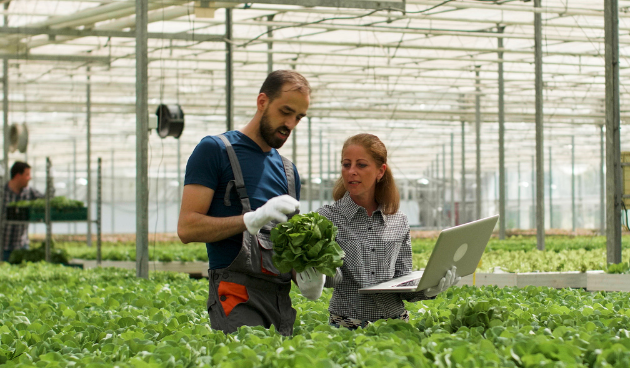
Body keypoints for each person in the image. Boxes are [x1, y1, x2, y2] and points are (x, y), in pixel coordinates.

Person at [178, 70, 318, 336]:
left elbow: (286, 247)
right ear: (262, 101)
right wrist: (250, 219)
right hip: (236, 295)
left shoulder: (288, 171)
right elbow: (187, 228)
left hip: (280, 300)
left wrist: (307, 275)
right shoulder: (215, 150)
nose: (290, 123)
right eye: (285, 111)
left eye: (298, 117)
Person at [311, 133, 459, 329]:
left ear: (380, 171)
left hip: (396, 325)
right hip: (347, 326)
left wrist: (430, 288)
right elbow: (332, 279)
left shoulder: (398, 220)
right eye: (346, 164)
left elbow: (402, 281)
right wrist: (314, 270)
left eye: (361, 165)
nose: (351, 171)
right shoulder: (328, 218)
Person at [0, 161, 43, 262]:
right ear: (18, 176)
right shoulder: (1, 190)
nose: (30, 178)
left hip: (20, 247)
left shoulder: (29, 192)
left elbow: (47, 200)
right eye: (27, 175)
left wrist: (51, 181)